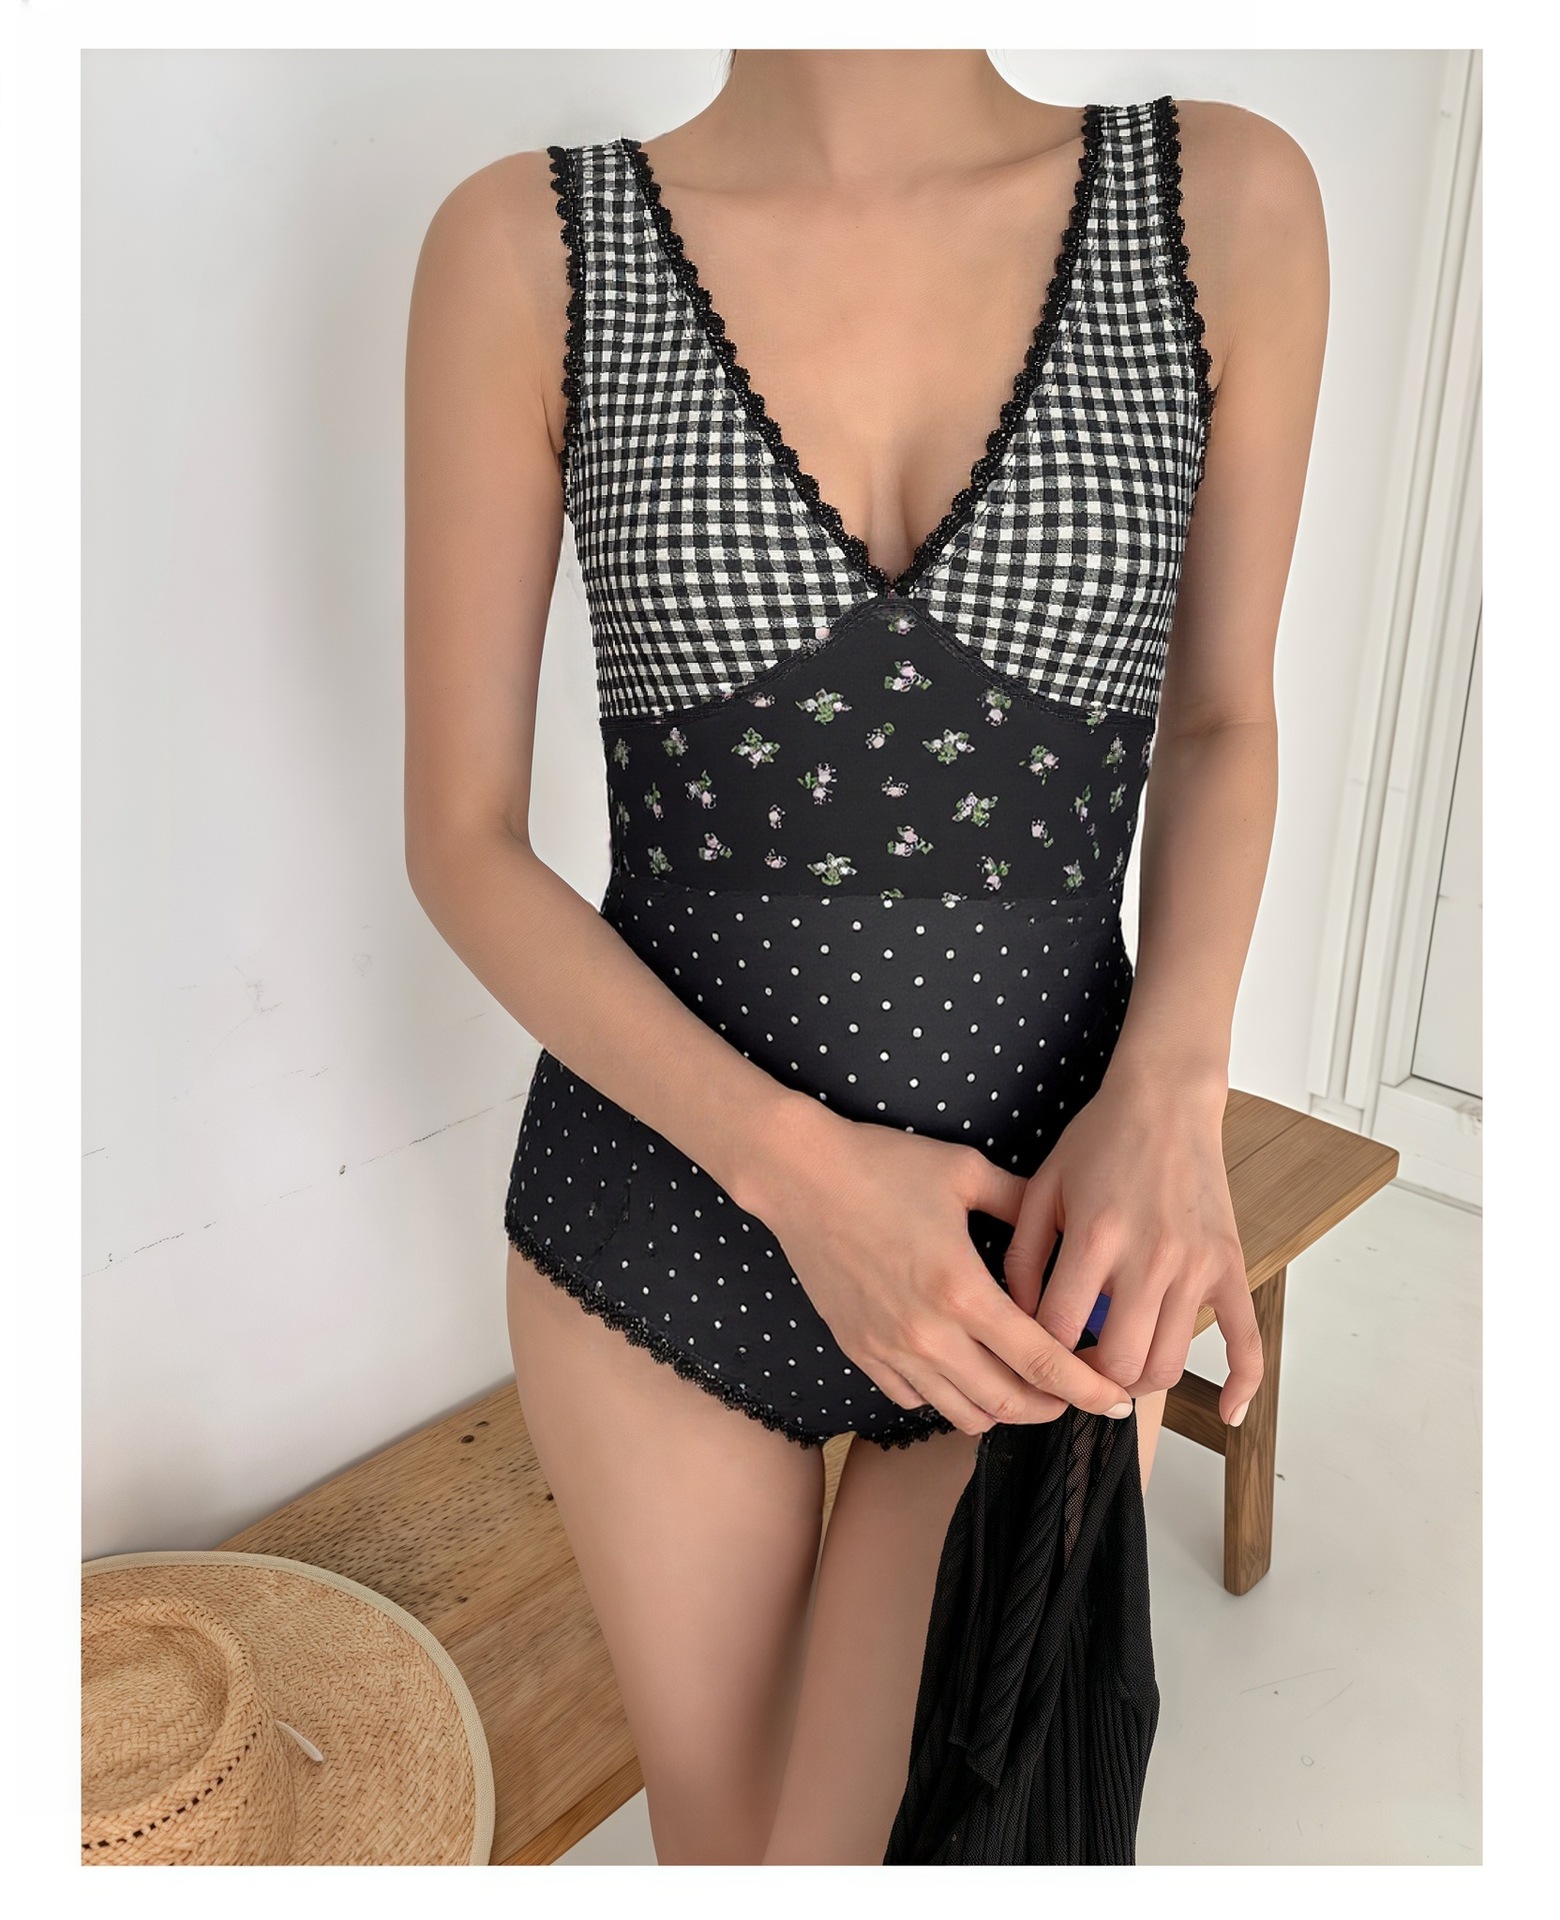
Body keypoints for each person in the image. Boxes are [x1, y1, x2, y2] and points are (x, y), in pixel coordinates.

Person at [403, 50, 1327, 1864]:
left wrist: (1174, 1088)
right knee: (733, 1860)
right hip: (660, 1225)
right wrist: (805, 1181)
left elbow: (1224, 718)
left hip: (1044, 1244)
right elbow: (461, 842)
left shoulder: (1223, 203)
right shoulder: (526, 245)